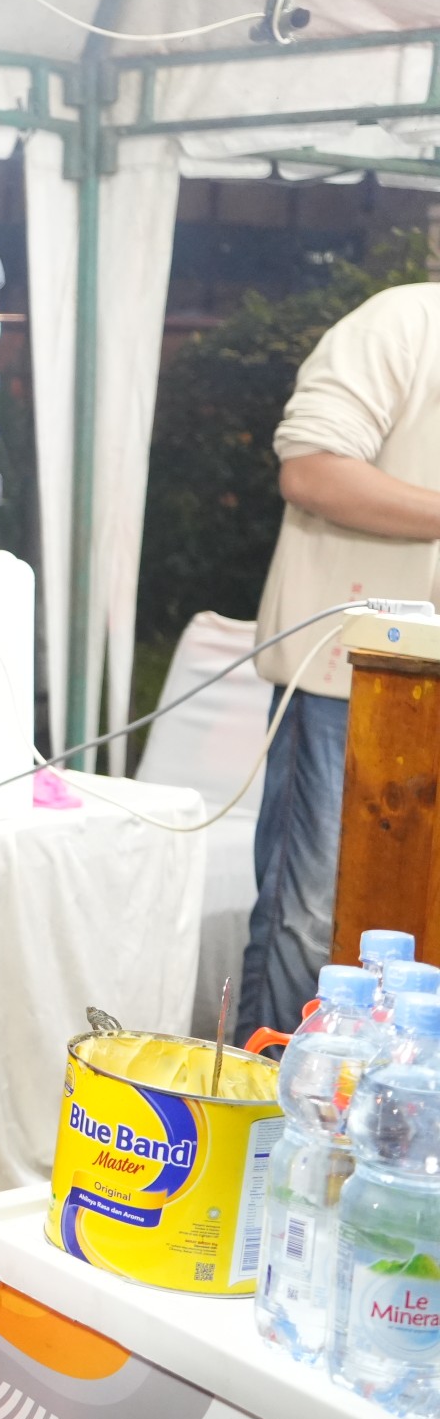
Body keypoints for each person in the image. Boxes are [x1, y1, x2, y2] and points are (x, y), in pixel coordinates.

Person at [238, 281, 440, 1038]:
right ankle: (265, 1123)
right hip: (348, 686)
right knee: (312, 920)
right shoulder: (405, 322)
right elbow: (314, 470)